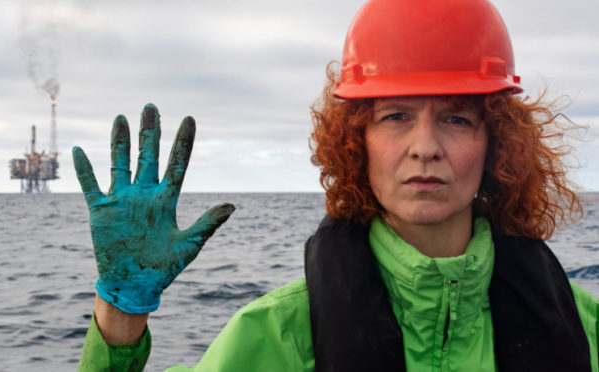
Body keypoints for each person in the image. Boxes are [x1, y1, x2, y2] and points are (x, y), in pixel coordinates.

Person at [76, 0, 598, 371]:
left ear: (497, 144)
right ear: (356, 142)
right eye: (395, 116)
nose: (425, 146)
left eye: (458, 119)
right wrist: (122, 313)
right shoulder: (279, 332)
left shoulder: (583, 324)